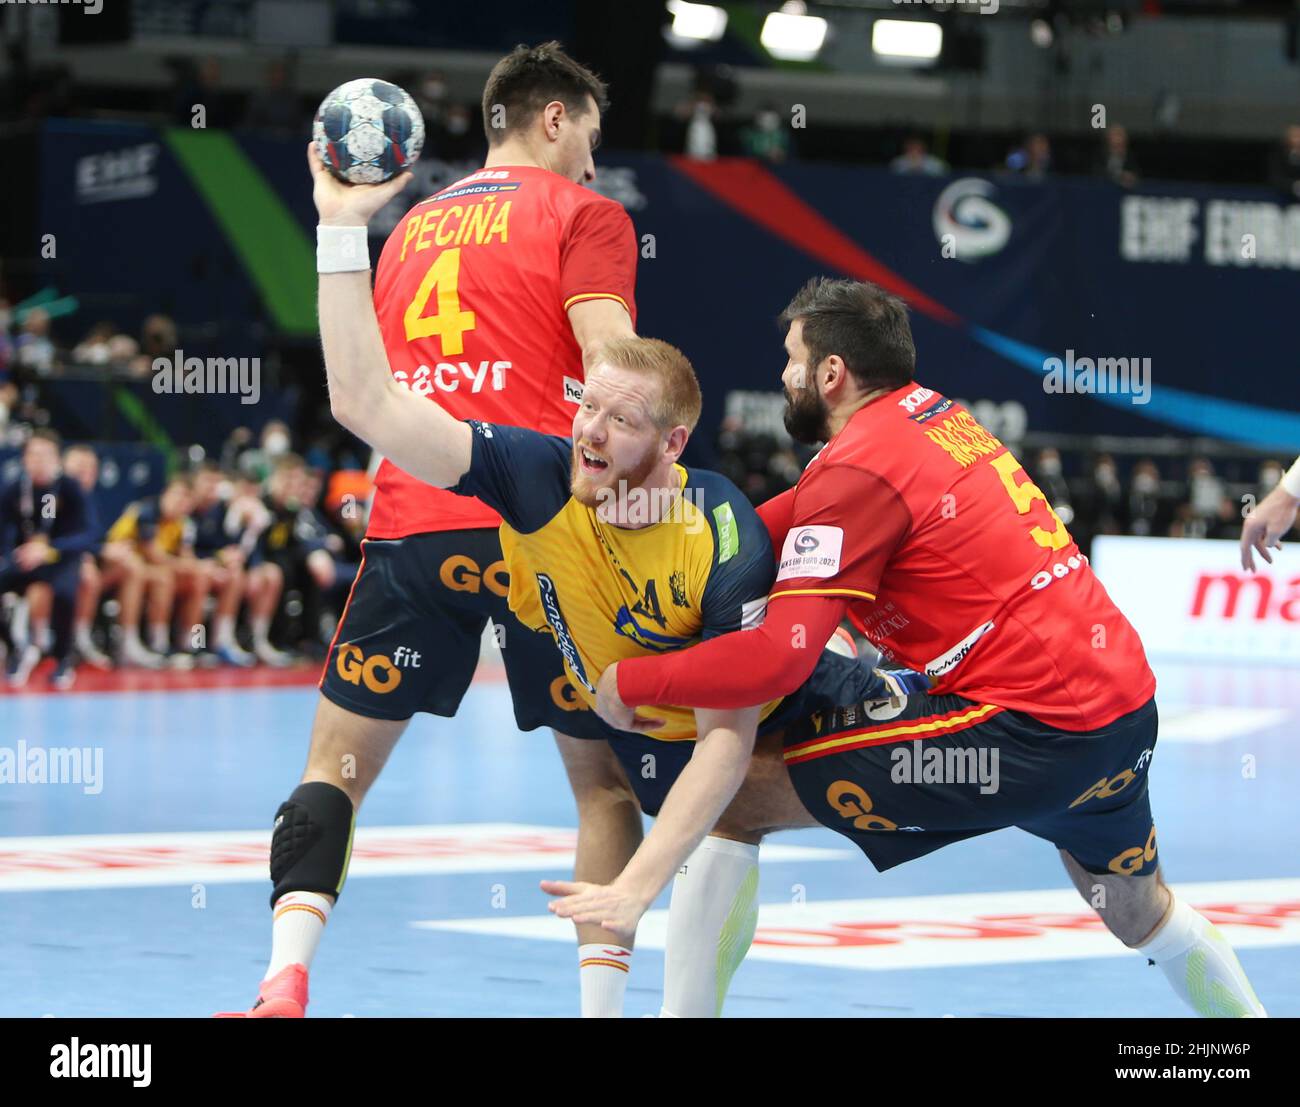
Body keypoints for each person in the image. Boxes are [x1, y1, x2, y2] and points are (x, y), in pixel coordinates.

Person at [303, 168, 920, 1013]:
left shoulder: (718, 532)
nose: (590, 431)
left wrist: (636, 885)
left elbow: (727, 738)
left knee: (733, 802)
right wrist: (341, 231)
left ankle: (897, 689)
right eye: (585, 408)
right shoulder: (539, 475)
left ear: (672, 442)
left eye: (618, 420)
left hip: (760, 707)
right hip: (642, 718)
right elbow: (367, 403)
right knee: (646, 800)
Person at [597, 277, 1268, 1018]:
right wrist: (650, 514)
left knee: (735, 793)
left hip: (1028, 726)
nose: (782, 375)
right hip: (1120, 708)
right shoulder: (930, 416)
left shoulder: (858, 468)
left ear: (831, 373)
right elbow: (759, 528)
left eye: (791, 359)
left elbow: (780, 657)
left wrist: (631, 678)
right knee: (1140, 910)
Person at [218, 42, 647, 1020]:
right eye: (587, 133)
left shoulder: (408, 226)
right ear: (551, 118)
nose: (591, 159)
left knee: (332, 771)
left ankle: (285, 973)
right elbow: (615, 376)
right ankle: (599, 1016)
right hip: (544, 525)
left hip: (416, 521)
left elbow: (375, 391)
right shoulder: (587, 214)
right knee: (603, 791)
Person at [0, 430, 98, 689]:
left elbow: (89, 533)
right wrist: (15, 553)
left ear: (57, 458)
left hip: (60, 559)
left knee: (66, 593)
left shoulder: (69, 487)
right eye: (32, 454)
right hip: (26, 559)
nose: (38, 460)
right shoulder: (14, 489)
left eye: (45, 454)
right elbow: (5, 531)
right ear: (23, 459)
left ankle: (63, 657)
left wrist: (50, 549)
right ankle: (14, 647)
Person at [1241, 456, 1300, 570]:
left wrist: (1287, 499)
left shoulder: (1293, 494)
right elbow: (1246, 514)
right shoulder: (1251, 494)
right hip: (1265, 538)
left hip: (1290, 538)